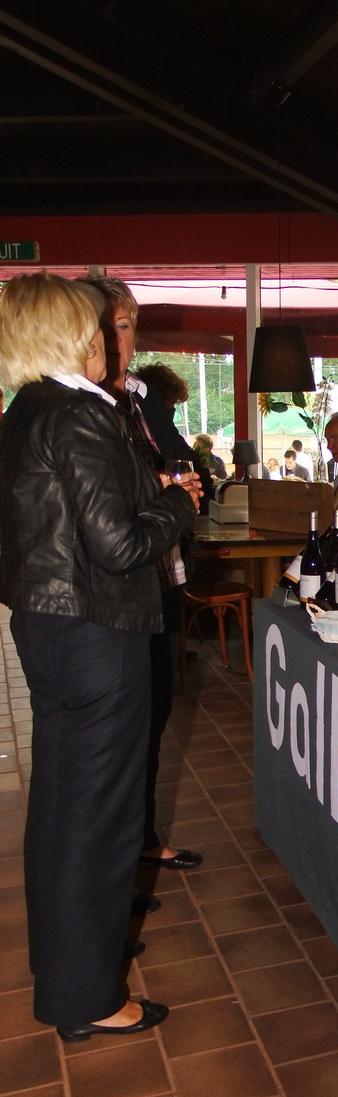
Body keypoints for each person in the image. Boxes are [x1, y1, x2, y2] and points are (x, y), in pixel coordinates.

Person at [0, 273, 198, 1039]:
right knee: (103, 821)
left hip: (50, 628)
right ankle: (88, 996)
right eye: (92, 327)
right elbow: (117, 546)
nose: (103, 340)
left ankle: (69, 967)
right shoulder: (80, 413)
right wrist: (178, 502)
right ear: (68, 335)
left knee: (61, 812)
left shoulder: (25, 409)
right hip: (96, 633)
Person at [84, 275, 205, 871]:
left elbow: (184, 461)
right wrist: (157, 487)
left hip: (159, 576)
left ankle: (142, 836)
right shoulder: (78, 406)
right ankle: (115, 858)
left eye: (124, 326)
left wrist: (175, 481)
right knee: (112, 734)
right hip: (109, 591)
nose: (115, 339)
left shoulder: (140, 398)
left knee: (154, 715)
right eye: (104, 327)